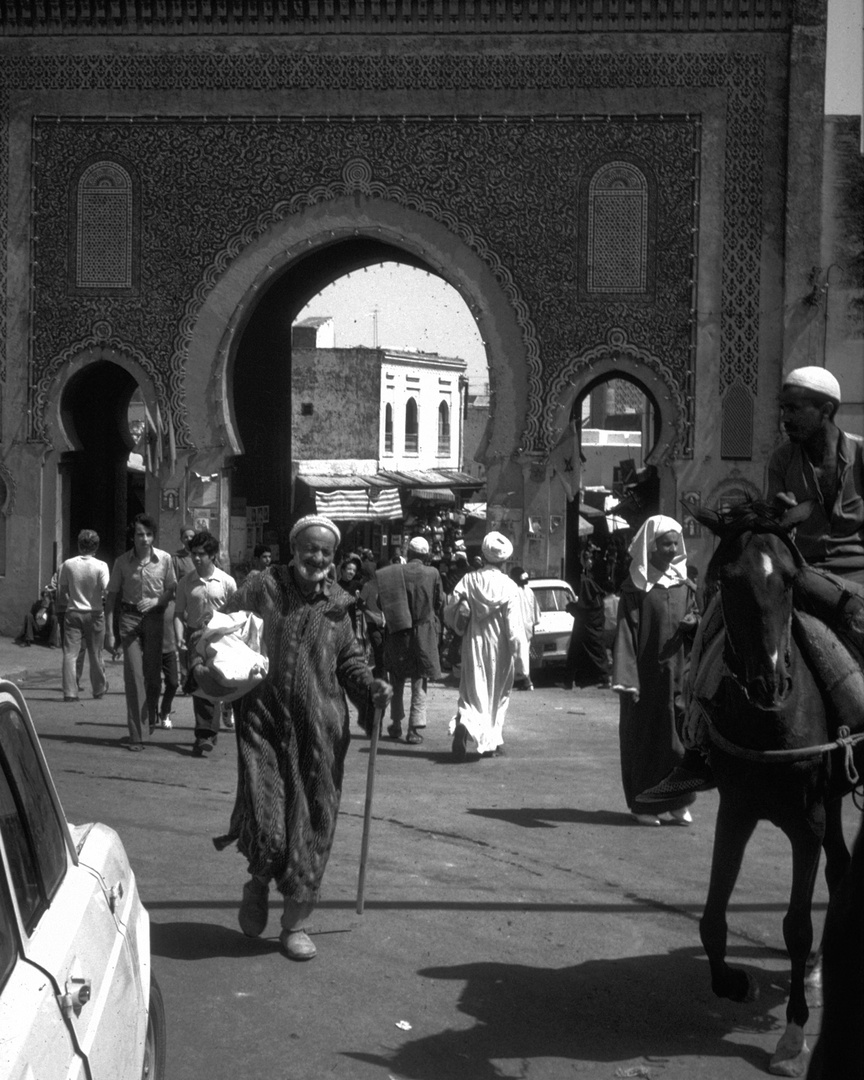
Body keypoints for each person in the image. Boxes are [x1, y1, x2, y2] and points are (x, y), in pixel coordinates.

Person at [639, 365, 864, 806]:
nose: (785, 417)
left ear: (827, 410)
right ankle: (699, 751)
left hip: (856, 577)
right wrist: (777, 518)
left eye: (795, 409)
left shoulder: (861, 455)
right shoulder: (782, 460)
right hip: (802, 570)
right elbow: (774, 531)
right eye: (782, 408)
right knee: (718, 620)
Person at [213, 514, 392, 961]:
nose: (317, 558)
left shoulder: (338, 607)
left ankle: (295, 923)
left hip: (320, 734)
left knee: (313, 825)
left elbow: (349, 660)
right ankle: (257, 883)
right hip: (263, 722)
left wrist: (371, 688)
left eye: (325, 552)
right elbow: (221, 631)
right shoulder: (262, 588)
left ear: (333, 559)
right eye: (309, 549)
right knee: (269, 821)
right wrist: (213, 663)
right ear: (294, 549)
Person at [612, 515, 699, 826]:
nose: (671, 549)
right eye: (665, 544)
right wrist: (627, 679)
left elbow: (695, 621)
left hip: (679, 676)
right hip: (646, 680)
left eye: (675, 543)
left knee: (680, 740)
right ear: (651, 546)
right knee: (646, 740)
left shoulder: (684, 585)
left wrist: (694, 624)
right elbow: (625, 632)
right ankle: (645, 805)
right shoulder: (635, 589)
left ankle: (678, 801)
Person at [444, 531, 524, 760]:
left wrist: (458, 626)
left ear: (484, 555)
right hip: (500, 649)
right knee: (497, 695)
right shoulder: (510, 587)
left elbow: (451, 607)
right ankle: (491, 742)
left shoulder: (469, 580)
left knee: (471, 692)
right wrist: (520, 660)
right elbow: (514, 628)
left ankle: (464, 723)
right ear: (504, 559)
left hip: (473, 644)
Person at [105, 514, 177, 751]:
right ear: (132, 537)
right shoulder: (122, 562)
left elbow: (171, 589)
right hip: (130, 620)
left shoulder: (165, 559)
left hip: (155, 620)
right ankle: (137, 734)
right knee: (134, 676)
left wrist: (157, 600)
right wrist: (110, 632)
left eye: (148, 534)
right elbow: (112, 597)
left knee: (153, 677)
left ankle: (151, 714)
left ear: (153, 536)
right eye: (139, 534)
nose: (144, 539)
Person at [174, 530, 238, 757]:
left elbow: (235, 613)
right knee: (200, 683)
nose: (196, 558)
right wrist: (179, 636)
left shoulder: (227, 582)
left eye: (201, 554)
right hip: (194, 636)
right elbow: (178, 613)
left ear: (212, 555)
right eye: (194, 554)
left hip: (220, 638)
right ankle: (204, 734)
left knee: (214, 683)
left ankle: (206, 733)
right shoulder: (185, 582)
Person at [374, 535, 443, 744]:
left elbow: (380, 601)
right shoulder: (433, 573)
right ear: (425, 555)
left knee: (396, 678)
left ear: (409, 553)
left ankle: (395, 724)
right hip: (423, 632)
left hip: (398, 632)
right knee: (419, 680)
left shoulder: (394, 573)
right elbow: (439, 601)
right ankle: (413, 729)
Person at [55, 529, 110, 702]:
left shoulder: (68, 564)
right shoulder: (101, 566)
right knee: (95, 653)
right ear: (96, 546)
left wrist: (71, 600)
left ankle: (70, 692)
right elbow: (107, 591)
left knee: (70, 654)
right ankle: (99, 689)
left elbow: (62, 591)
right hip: (94, 613)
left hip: (73, 612)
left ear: (79, 545)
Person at [565, 548, 612, 689]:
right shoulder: (596, 600)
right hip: (590, 630)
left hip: (587, 630)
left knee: (579, 654)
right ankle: (571, 680)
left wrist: (572, 607)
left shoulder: (589, 590)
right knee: (589, 654)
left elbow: (583, 610)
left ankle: (571, 681)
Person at [509, 566, 540, 691]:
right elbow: (535, 612)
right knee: (522, 655)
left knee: (518, 655)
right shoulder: (529, 591)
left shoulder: (512, 590)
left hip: (516, 627)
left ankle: (526, 681)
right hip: (526, 627)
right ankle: (523, 680)